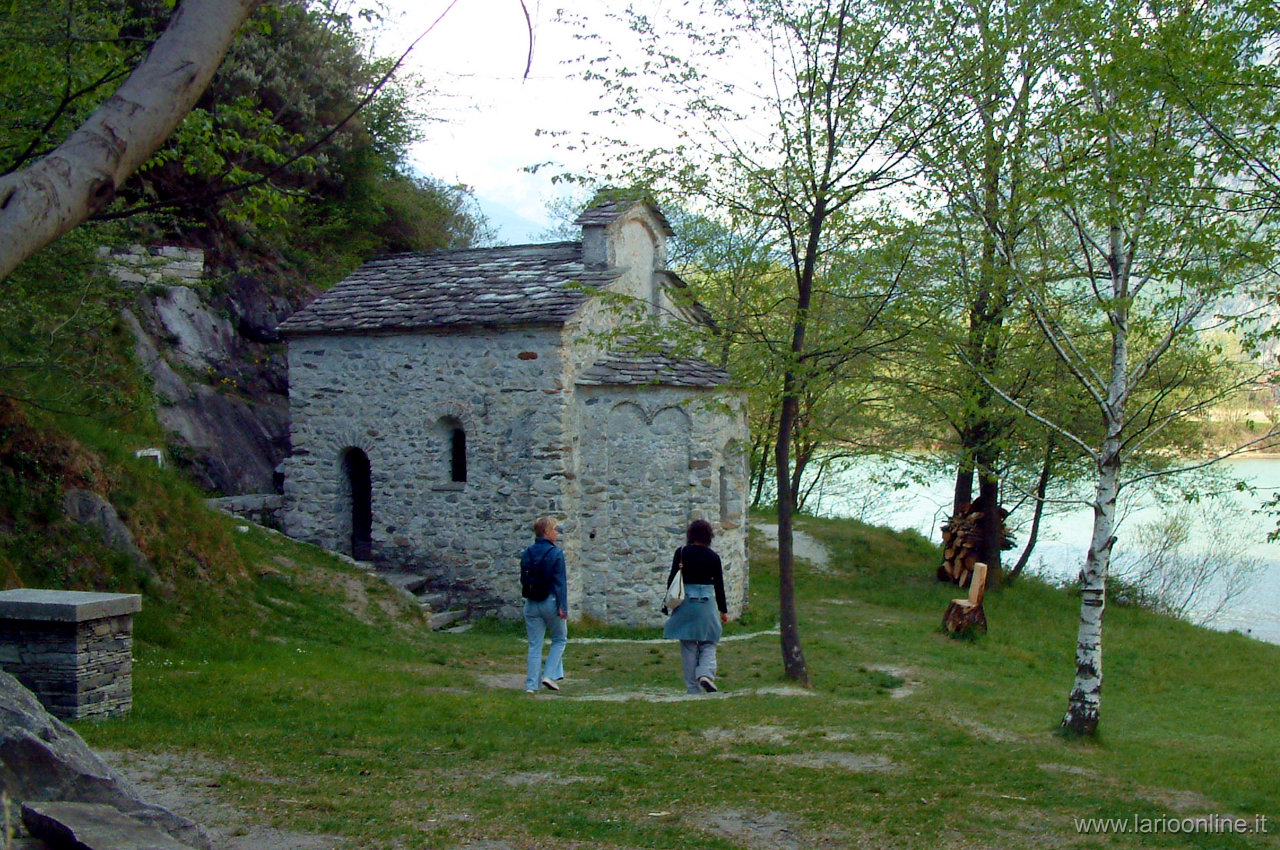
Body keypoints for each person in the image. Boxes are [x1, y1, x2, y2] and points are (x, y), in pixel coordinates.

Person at [663, 518, 729, 694]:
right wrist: (723, 610)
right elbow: (719, 585)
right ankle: (705, 673)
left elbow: (672, 579)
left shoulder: (682, 552)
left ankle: (692, 688)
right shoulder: (713, 557)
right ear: (709, 536)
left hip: (686, 601)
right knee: (710, 640)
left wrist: (666, 603)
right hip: (707, 602)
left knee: (688, 645)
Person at [521, 515, 568, 693]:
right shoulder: (556, 553)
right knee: (559, 639)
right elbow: (560, 582)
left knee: (534, 645)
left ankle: (531, 685)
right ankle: (549, 675)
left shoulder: (528, 552)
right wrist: (563, 606)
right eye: (555, 529)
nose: (557, 533)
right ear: (547, 532)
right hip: (550, 600)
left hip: (531, 602)